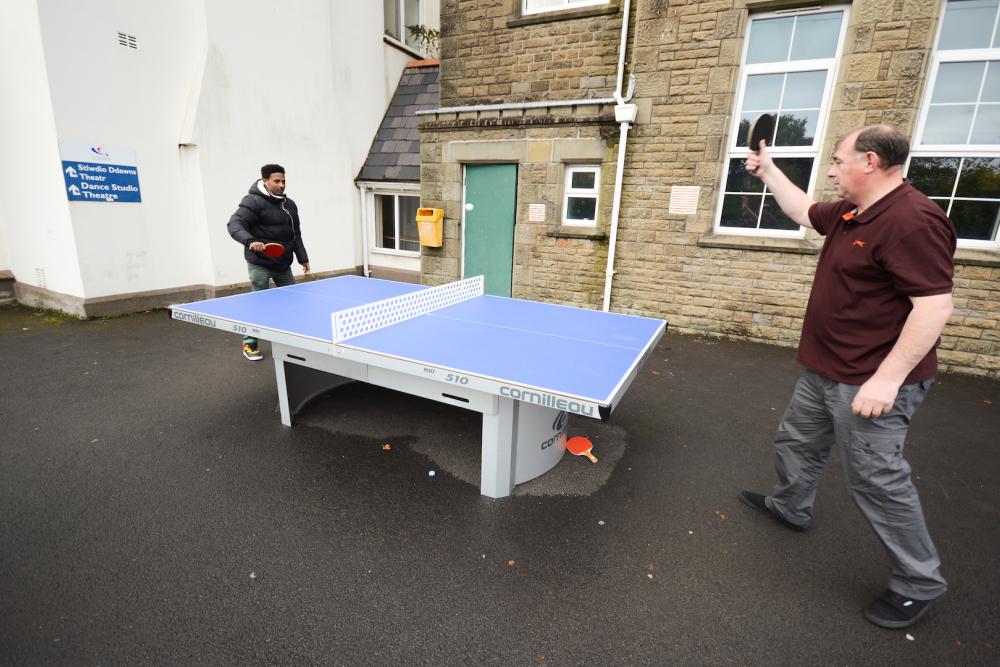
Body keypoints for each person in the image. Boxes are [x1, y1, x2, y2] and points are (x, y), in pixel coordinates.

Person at [739, 125, 956, 629]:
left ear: (871, 162)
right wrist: (769, 172)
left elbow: (933, 307)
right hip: (826, 368)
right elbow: (803, 211)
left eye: (838, 161)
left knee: (877, 480)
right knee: (796, 442)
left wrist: (887, 380)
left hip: (870, 379)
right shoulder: (852, 211)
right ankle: (791, 507)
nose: (832, 171)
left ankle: (918, 582)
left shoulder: (913, 220)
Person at [227, 163, 310, 360]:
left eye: (283, 181)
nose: (281, 185)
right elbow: (234, 224)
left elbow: (295, 235)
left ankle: (290, 340)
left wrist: (303, 257)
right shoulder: (253, 201)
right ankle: (250, 342)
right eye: (276, 181)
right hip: (260, 263)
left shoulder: (289, 205)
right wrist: (250, 241)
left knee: (291, 301)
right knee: (260, 304)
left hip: (283, 263)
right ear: (265, 181)